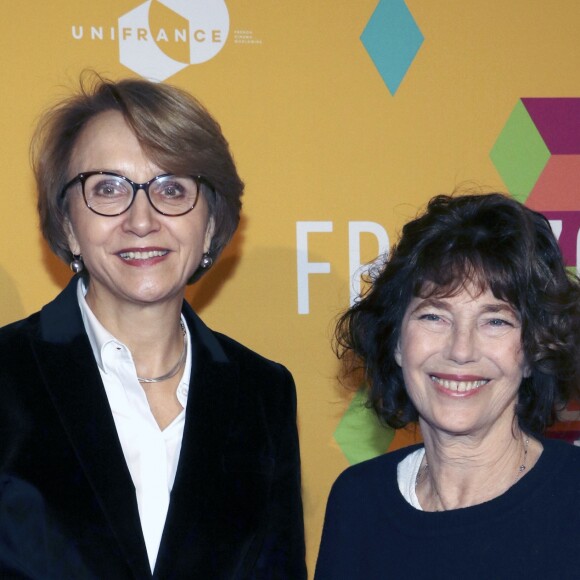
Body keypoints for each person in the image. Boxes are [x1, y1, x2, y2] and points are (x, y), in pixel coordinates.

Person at [0, 75, 306, 579]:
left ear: (209, 223)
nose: (141, 219)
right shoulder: (6, 373)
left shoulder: (262, 391)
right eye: (107, 188)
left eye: (171, 188)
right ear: (68, 224)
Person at [315, 193, 580, 579]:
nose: (461, 350)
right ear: (396, 342)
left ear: (534, 350)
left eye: (496, 321)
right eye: (435, 316)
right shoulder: (358, 501)